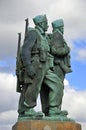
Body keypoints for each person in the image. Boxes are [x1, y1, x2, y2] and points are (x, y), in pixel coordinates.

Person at [18, 14, 64, 119]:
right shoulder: (33, 33)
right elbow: (25, 50)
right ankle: (29, 108)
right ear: (41, 23)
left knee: (57, 84)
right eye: (46, 23)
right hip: (36, 64)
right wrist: (28, 66)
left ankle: (54, 109)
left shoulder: (43, 36)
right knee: (34, 86)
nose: (47, 25)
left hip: (46, 65)